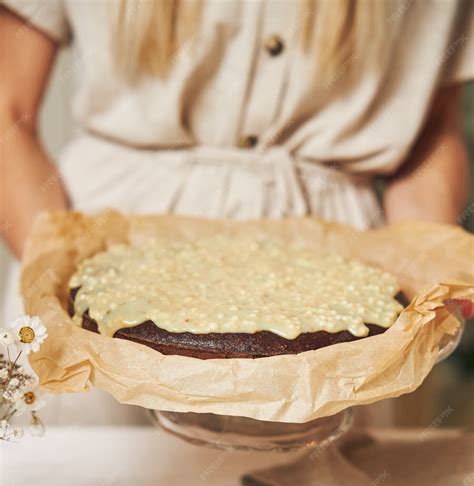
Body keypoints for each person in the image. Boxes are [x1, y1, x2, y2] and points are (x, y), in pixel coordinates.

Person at [0, 0, 472, 425]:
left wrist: (425, 263)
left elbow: (432, 133)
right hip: (104, 254)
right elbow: (8, 111)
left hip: (349, 305)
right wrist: (57, 279)